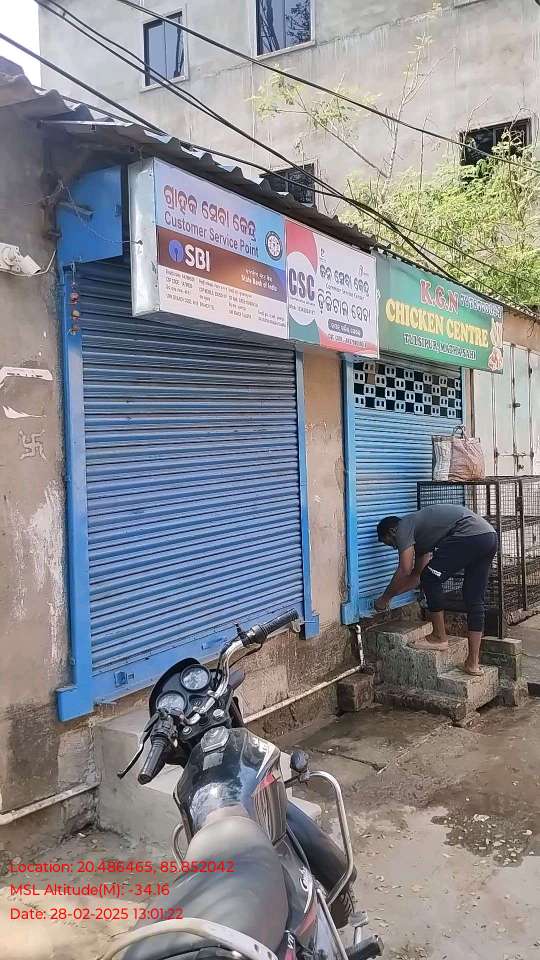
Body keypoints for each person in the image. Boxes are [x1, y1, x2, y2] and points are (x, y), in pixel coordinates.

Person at [374, 504, 498, 676]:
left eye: (391, 543)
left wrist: (384, 598)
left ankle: (439, 637)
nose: (395, 548)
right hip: (488, 537)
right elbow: (417, 577)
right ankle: (472, 663)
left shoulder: (403, 526)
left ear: (392, 531)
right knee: (474, 598)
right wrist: (389, 597)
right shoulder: (421, 539)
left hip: (469, 535)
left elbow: (404, 569)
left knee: (431, 577)